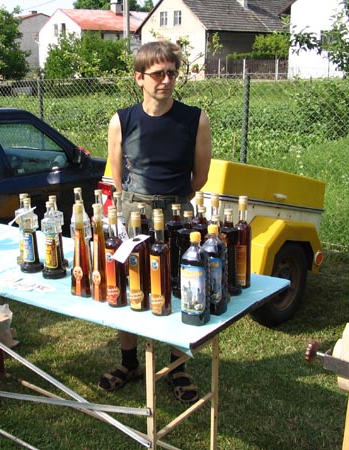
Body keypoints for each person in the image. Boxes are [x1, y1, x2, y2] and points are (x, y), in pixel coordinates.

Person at [99, 40, 212, 403]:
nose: (166, 80)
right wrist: (138, 206)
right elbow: (118, 178)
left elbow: (200, 177)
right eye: (158, 74)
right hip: (135, 213)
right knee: (131, 282)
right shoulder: (121, 120)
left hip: (178, 215)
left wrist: (173, 203)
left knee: (180, 285)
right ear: (139, 78)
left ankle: (177, 367)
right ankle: (129, 362)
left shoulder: (195, 119)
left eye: (171, 73)